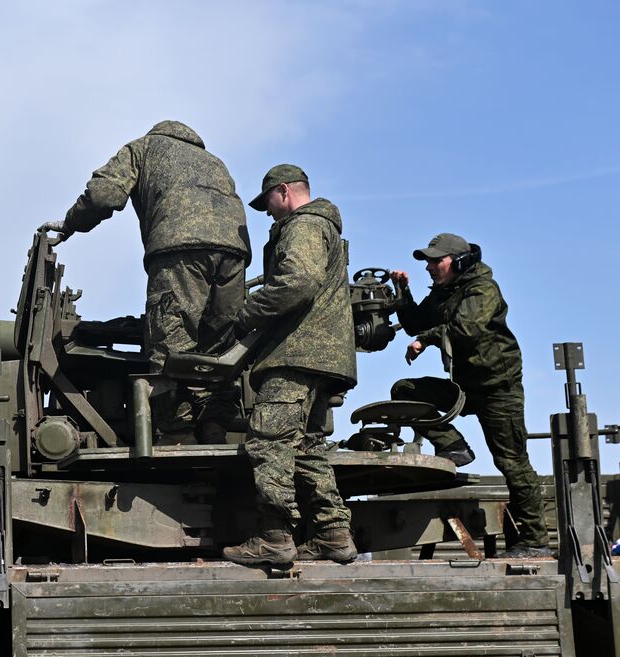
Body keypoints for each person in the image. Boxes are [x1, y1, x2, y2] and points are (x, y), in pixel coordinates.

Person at [41, 120, 251, 443]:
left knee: (170, 342)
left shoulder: (144, 148)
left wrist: (70, 223)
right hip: (235, 253)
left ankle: (175, 432)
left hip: (180, 248)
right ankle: (214, 427)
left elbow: (103, 194)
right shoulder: (215, 162)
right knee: (219, 348)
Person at [223, 164, 357, 568]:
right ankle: (333, 535)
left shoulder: (304, 224)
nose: (269, 213)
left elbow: (297, 281)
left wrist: (248, 314)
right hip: (322, 356)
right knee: (307, 447)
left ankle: (275, 537)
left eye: (269, 204)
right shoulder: (324, 227)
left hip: (296, 353)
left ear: (284, 192)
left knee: (269, 441)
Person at [390, 234, 550, 557]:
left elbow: (465, 329)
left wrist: (427, 339)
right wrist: (402, 291)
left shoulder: (482, 289)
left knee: (512, 462)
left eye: (437, 261)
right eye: (428, 262)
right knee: (404, 392)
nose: (431, 267)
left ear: (460, 262)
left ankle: (533, 540)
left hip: (496, 388)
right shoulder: (444, 292)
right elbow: (414, 322)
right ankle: (453, 445)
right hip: (465, 386)